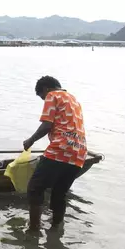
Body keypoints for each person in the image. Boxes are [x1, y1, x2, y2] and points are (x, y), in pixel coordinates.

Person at [23, 76, 87, 231]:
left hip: (61, 149)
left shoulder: (53, 95)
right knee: (59, 193)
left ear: (45, 89)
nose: (44, 99)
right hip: (79, 152)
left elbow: (47, 125)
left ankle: (33, 230)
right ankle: (56, 228)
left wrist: (30, 140)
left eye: (42, 97)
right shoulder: (73, 99)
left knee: (34, 188)